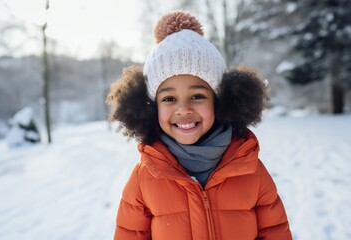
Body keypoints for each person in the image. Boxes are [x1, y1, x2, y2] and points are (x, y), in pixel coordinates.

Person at [106, 10, 292, 240]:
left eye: (197, 96)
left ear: (220, 100)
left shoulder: (251, 171)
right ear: (152, 107)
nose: (183, 109)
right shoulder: (143, 180)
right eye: (169, 99)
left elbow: (275, 233)